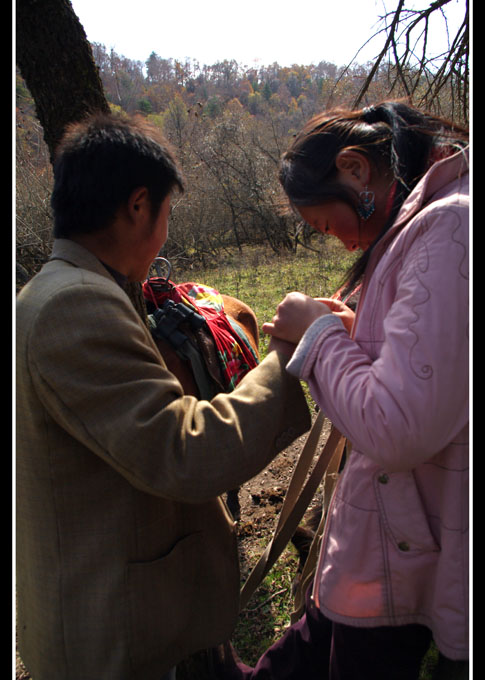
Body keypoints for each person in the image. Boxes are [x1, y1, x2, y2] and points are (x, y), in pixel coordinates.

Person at [15, 112, 311, 680]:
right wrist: (288, 358)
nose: (165, 233)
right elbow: (187, 453)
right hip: (117, 638)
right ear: (137, 206)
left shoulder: (51, 293)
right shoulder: (74, 306)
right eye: (167, 215)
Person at [215, 102, 469, 679]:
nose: (347, 246)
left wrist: (321, 335)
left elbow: (398, 424)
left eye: (329, 227)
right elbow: (435, 367)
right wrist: (360, 331)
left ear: (354, 169)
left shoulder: (447, 227)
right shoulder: (425, 223)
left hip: (409, 540)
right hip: (397, 531)